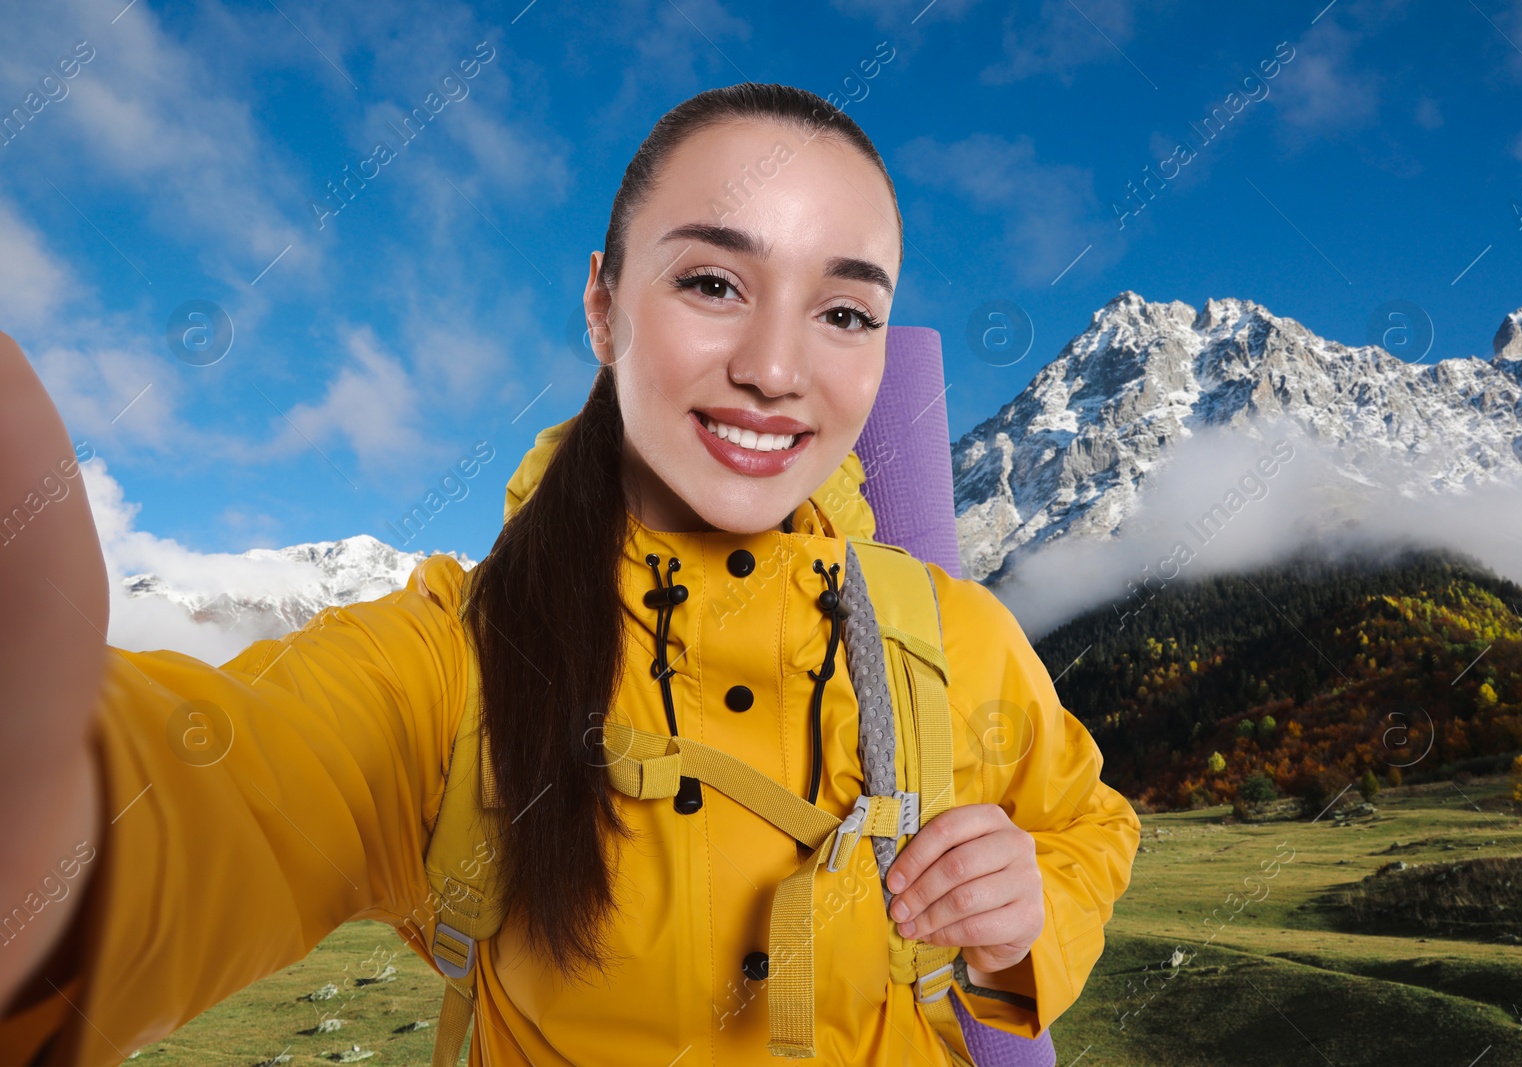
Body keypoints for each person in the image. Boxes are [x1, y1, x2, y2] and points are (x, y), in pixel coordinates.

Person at [0, 82, 1141, 1066]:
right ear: (603, 304)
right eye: (713, 283)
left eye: (845, 311)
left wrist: (1028, 916)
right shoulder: (456, 662)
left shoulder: (952, 639)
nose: (776, 367)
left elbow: (1088, 820)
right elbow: (196, 806)